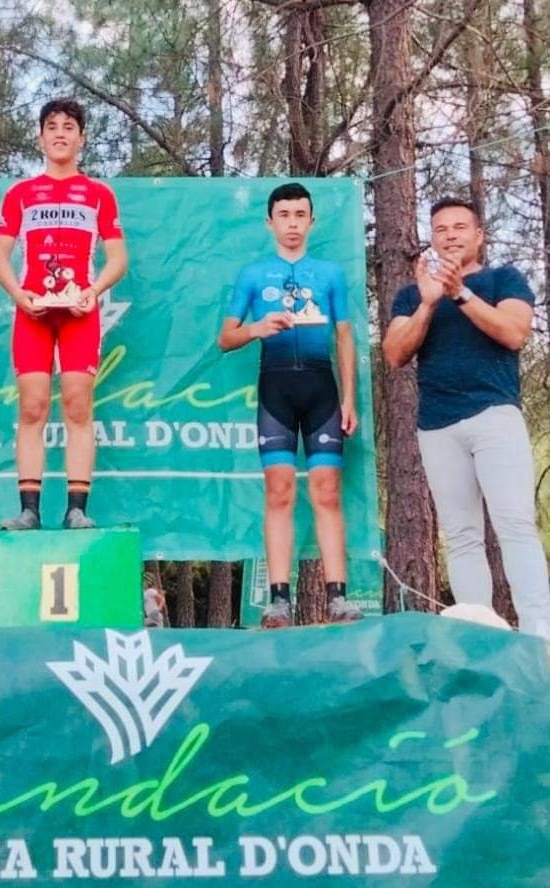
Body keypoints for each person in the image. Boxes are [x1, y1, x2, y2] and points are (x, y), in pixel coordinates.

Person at [383, 196, 550, 640]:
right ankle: (479, 635)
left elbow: (514, 333)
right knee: (460, 535)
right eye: (440, 229)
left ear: (479, 235)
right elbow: (395, 354)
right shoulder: (412, 295)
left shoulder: (503, 279)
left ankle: (539, 633)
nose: (450, 235)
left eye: (459, 227)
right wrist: (428, 304)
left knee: (514, 524)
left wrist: (460, 293)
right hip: (437, 426)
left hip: (495, 416)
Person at [218, 182, 363, 628]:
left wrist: (349, 398)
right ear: (270, 222)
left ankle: (338, 597)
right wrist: (257, 328)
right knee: (279, 491)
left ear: (312, 221)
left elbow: (344, 337)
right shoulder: (253, 275)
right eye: (284, 215)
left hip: (322, 390)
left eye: (300, 215)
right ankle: (279, 599)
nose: (293, 223)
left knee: (327, 492)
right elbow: (225, 338)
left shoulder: (330, 274)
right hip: (275, 390)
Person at [0, 97, 127, 530]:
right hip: (33, 312)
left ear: (81, 138)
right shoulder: (21, 194)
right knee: (32, 408)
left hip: (78, 314)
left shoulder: (99, 194)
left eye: (69, 127)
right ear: (40, 137)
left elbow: (118, 258)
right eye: (52, 127)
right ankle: (29, 510)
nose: (60, 134)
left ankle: (76, 509)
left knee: (77, 406)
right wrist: (18, 294)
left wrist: (93, 291)